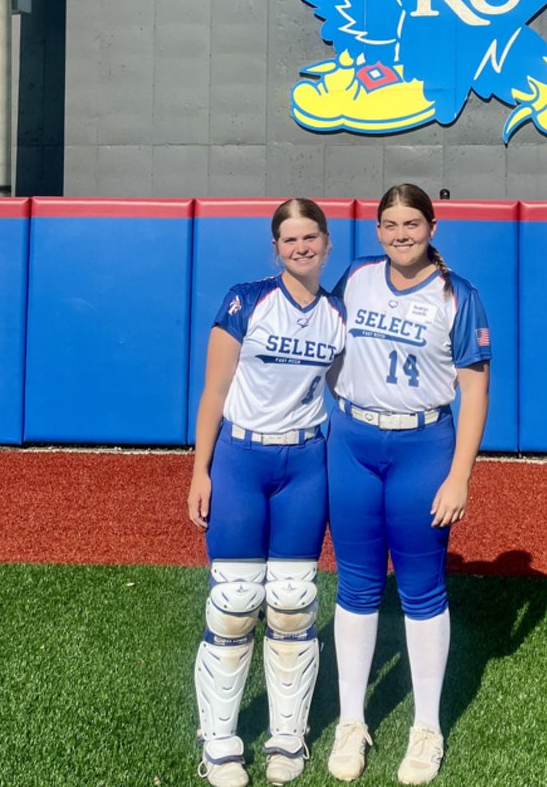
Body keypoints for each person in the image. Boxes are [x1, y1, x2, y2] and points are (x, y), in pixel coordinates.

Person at [325, 183, 491, 785]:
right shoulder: (356, 277)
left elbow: (474, 391)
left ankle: (426, 728)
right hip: (352, 444)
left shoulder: (457, 294)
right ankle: (351, 720)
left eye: (411, 224)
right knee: (357, 586)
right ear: (377, 231)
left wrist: (460, 476)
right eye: (390, 224)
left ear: (432, 226)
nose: (401, 234)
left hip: (423, 447)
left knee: (421, 590)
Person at [187, 199, 345, 787]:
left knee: (292, 601)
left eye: (311, 237)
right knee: (233, 604)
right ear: (275, 247)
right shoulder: (245, 301)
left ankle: (287, 739)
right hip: (241, 458)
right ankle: (220, 742)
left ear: (327, 243)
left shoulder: (340, 314)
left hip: (305, 461)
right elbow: (213, 393)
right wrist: (200, 470)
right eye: (289, 240)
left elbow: (350, 391)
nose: (301, 247)